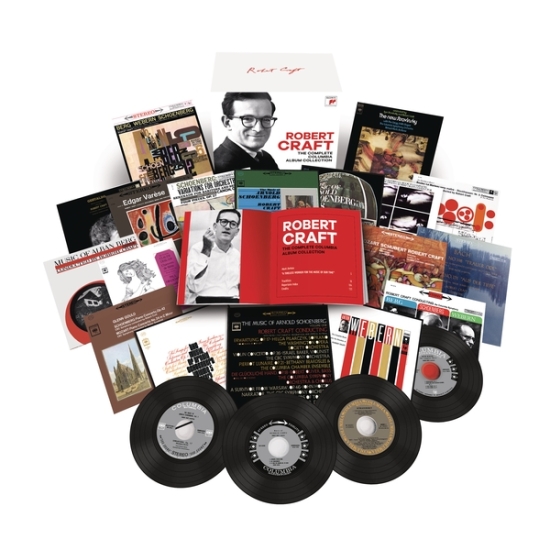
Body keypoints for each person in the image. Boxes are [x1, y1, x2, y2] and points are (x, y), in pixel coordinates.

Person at [185, 209, 241, 303]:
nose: (228, 226)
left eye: (233, 224)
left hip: (234, 302)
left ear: (236, 231)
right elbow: (193, 287)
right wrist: (206, 251)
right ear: (215, 226)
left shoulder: (238, 255)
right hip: (205, 302)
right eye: (224, 221)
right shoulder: (198, 248)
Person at [213, 92, 279, 172]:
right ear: (227, 123)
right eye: (247, 119)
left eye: (266, 119)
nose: (258, 129)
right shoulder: (220, 168)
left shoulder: (265, 158)